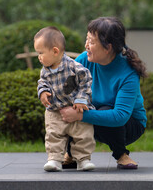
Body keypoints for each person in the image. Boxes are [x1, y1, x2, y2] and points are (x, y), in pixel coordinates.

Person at [60, 17, 147, 169]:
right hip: (95, 115)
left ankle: (121, 155)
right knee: (70, 106)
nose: (86, 45)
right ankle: (71, 153)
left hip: (129, 125)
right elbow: (66, 90)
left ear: (108, 47)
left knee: (104, 110)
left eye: (92, 42)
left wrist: (80, 115)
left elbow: (120, 116)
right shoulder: (84, 60)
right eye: (87, 39)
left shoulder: (128, 73)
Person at [34, 26, 96, 172]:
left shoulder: (74, 66)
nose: (39, 57)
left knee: (83, 134)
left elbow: (86, 80)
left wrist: (81, 99)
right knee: (53, 134)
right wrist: (43, 92)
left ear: (55, 51)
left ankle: (83, 159)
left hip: (76, 108)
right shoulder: (45, 70)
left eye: (41, 53)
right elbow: (42, 82)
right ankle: (54, 160)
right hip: (55, 110)